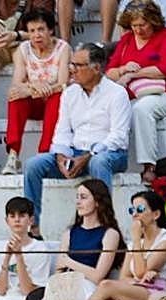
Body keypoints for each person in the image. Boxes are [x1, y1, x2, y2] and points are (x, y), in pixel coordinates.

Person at [23, 43, 130, 230]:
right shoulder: (70, 93)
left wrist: (88, 155)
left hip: (110, 154)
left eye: (78, 66)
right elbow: (62, 131)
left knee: (99, 162)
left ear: (96, 68)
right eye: (71, 65)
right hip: (74, 152)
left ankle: (103, 226)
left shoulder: (117, 93)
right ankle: (33, 228)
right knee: (33, 165)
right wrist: (61, 156)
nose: (72, 70)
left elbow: (118, 137)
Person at [105, 0, 166, 185]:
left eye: (142, 25)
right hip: (132, 96)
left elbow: (165, 69)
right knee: (117, 109)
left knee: (141, 109)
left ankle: (149, 166)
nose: (138, 29)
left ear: (153, 21)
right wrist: (123, 69)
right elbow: (110, 72)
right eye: (134, 25)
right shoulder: (126, 40)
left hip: (162, 95)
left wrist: (134, 74)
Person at [89, 188, 166, 300]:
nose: (135, 214)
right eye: (132, 210)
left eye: (140, 209)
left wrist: (136, 238)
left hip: (158, 297)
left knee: (106, 285)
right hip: (136, 297)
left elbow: (140, 271)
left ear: (156, 214)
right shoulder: (134, 243)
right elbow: (124, 277)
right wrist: (136, 281)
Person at [0, 8, 69, 177]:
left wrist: (37, 88)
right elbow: (17, 84)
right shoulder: (23, 49)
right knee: (15, 97)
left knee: (57, 97)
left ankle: (43, 155)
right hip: (35, 102)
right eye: (32, 31)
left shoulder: (62, 48)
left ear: (50, 30)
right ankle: (13, 155)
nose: (36, 35)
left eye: (41, 29)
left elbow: (63, 84)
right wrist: (36, 85)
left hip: (55, 103)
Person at [0, 0, 60, 120]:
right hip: (1, 43)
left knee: (22, 52)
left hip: (28, 43)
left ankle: (28, 106)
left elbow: (45, 31)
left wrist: (16, 35)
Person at [54, 178, 125, 297]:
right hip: (66, 285)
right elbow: (58, 269)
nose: (78, 202)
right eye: (77, 197)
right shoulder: (69, 233)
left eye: (83, 197)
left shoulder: (110, 234)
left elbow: (98, 276)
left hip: (91, 289)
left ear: (97, 202)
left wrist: (68, 261)